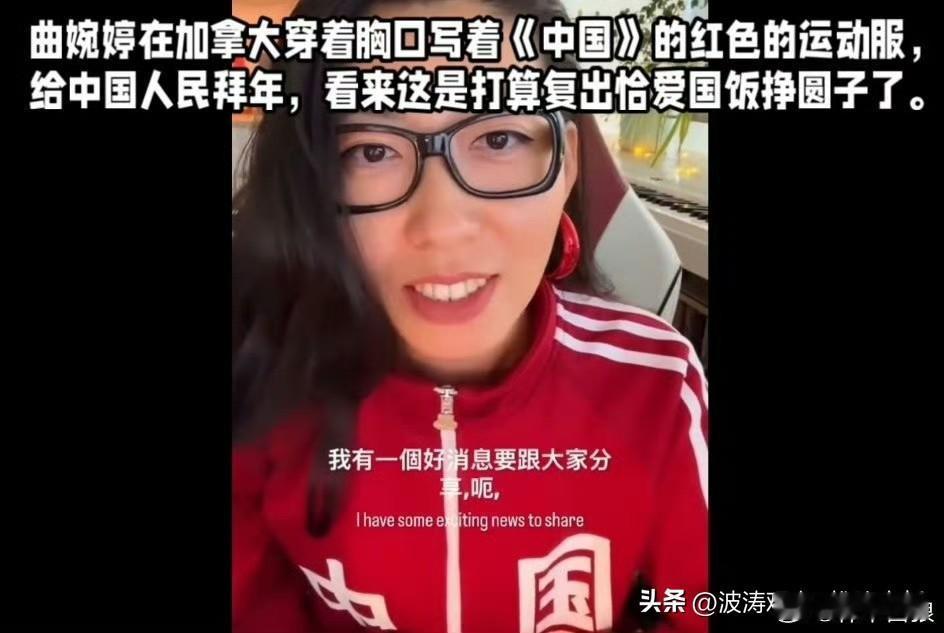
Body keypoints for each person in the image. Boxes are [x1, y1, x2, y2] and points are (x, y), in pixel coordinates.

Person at [232, 1, 708, 631]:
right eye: (370, 151)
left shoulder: (657, 383)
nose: (443, 226)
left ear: (566, 163)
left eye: (498, 139)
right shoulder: (260, 380)